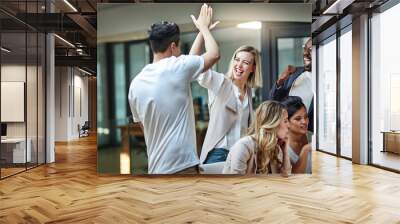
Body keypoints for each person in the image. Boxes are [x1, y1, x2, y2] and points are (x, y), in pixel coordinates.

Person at [128, 4, 220, 174]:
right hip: (182, 166)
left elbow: (144, 127)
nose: (179, 52)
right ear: (172, 46)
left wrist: (201, 32)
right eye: (178, 47)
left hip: (156, 168)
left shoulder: (135, 83)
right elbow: (214, 54)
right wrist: (204, 29)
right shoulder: (177, 67)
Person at [189, 33, 263, 164]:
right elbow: (193, 64)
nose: (239, 65)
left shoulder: (249, 92)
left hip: (241, 154)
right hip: (219, 153)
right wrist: (202, 31)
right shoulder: (220, 82)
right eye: (237, 59)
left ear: (253, 68)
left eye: (245, 62)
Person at [222, 101, 291, 176]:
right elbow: (236, 182)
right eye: (285, 121)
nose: (289, 125)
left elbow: (285, 177)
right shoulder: (243, 146)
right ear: (273, 123)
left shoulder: (275, 148)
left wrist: (285, 151)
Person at [269, 38, 313, 134]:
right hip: (284, 133)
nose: (305, 53)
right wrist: (280, 81)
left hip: (310, 136)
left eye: (310, 50)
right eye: (304, 49)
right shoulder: (293, 73)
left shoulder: (328, 79)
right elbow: (274, 101)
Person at [282, 96, 311, 173]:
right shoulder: (282, 146)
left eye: (306, 117)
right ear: (286, 121)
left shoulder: (312, 137)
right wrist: (306, 150)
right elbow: (292, 178)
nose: (304, 122)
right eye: (298, 119)